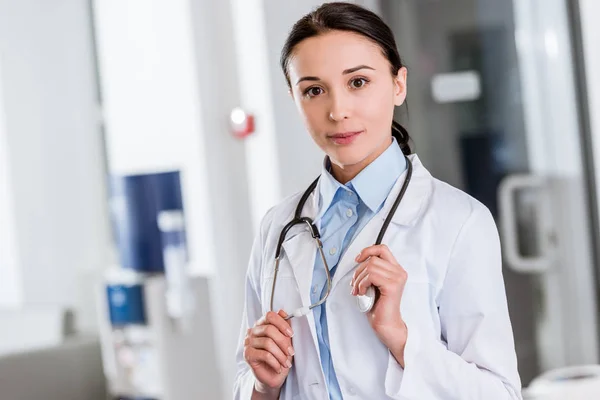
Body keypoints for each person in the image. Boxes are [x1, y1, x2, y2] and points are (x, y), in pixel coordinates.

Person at [234, 2, 522, 399]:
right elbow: (246, 380)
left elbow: (500, 393)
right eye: (314, 90)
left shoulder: (459, 221)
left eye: (358, 82)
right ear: (294, 98)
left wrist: (402, 338)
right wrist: (262, 386)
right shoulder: (277, 227)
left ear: (398, 84)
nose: (338, 111)